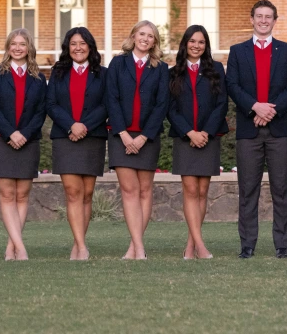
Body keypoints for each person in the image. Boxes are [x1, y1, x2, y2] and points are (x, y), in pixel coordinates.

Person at [226, 0, 287, 259]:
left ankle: (282, 245)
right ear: (252, 19)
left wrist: (271, 110)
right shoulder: (238, 51)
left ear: (274, 20)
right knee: (248, 189)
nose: (263, 20)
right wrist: (255, 107)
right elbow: (232, 86)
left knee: (281, 188)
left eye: (268, 16)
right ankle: (247, 244)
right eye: (259, 16)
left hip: (279, 130)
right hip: (249, 130)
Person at [106, 20, 171, 260]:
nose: (145, 38)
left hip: (148, 138)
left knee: (145, 190)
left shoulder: (160, 68)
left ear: (155, 41)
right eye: (141, 34)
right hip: (120, 136)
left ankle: (135, 247)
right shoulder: (118, 63)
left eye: (150, 36)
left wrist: (143, 136)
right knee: (129, 190)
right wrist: (123, 134)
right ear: (133, 36)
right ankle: (138, 247)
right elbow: (111, 98)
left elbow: (161, 104)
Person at [0, 27, 47, 260]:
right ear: (8, 47)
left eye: (22, 44)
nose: (18, 48)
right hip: (1, 139)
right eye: (14, 43)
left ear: (29, 48)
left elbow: (41, 111)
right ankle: (21, 248)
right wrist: (11, 133)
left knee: (22, 194)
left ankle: (12, 246)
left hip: (28, 141)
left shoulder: (39, 78)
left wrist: (24, 134)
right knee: (6, 193)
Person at [167, 24, 229, 260]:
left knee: (203, 191)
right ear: (185, 44)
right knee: (190, 190)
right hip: (185, 138)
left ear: (206, 46)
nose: (196, 45)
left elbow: (222, 103)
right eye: (192, 41)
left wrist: (205, 132)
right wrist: (189, 132)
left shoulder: (216, 69)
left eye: (201, 42)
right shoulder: (173, 72)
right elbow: (170, 109)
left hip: (209, 137)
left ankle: (191, 245)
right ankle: (200, 246)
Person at [46, 26, 107, 261]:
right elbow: (50, 104)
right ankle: (81, 246)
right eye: (73, 44)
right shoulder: (58, 72)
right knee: (73, 192)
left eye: (82, 43)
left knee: (87, 193)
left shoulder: (103, 73)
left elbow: (106, 105)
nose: (78, 48)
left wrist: (84, 126)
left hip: (92, 137)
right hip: (65, 137)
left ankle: (78, 241)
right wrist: (72, 125)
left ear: (90, 47)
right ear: (67, 47)